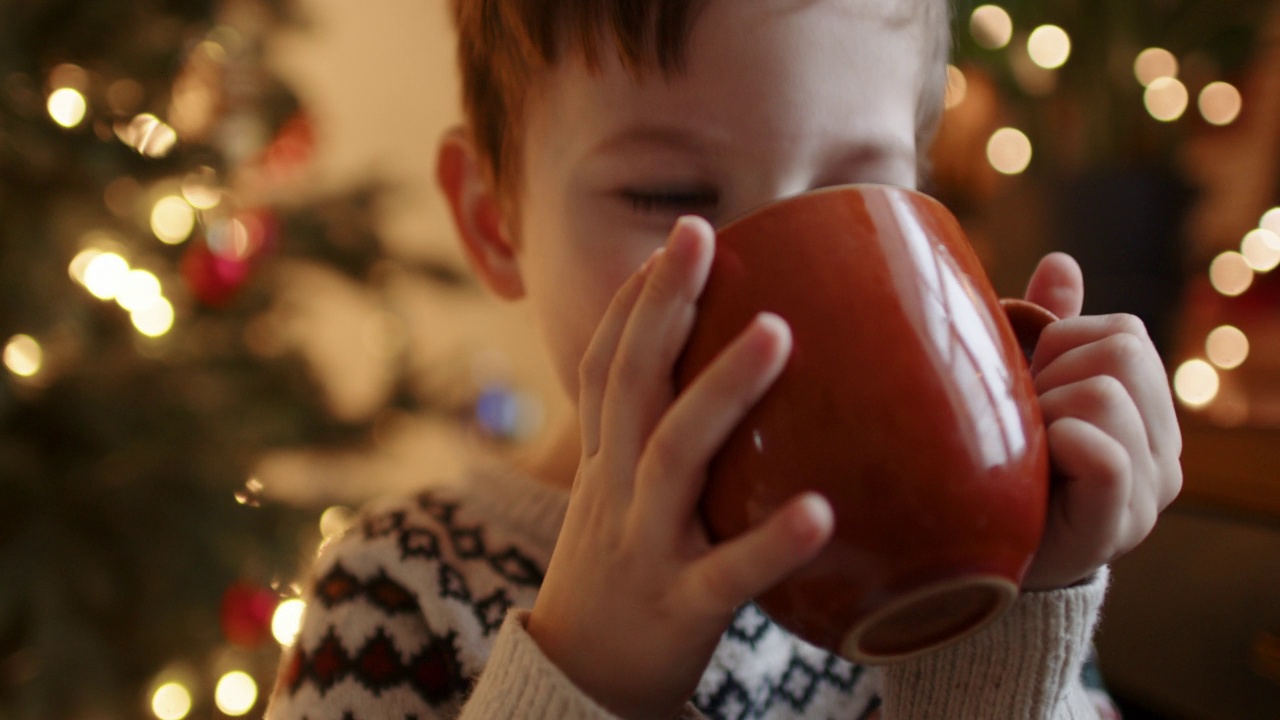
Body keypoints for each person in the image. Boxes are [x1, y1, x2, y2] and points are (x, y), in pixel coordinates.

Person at [265, 0, 1181, 717]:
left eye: (852, 189)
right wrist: (585, 681)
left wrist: (1027, 609)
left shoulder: (971, 578)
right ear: (494, 221)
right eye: (668, 194)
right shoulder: (400, 589)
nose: (778, 278)